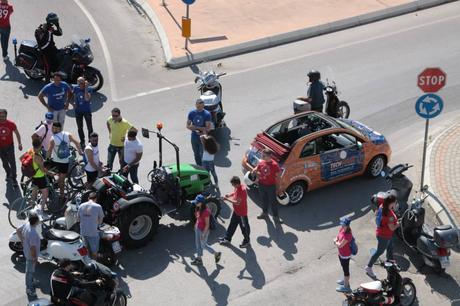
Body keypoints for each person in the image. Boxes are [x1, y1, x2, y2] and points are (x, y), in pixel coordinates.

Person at [365, 193, 399, 279]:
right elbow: (392, 228)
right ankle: (368, 267)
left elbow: (377, 214)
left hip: (383, 233)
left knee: (390, 246)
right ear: (391, 203)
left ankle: (390, 261)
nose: (396, 204)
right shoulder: (390, 215)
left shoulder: (382, 206)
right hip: (384, 236)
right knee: (379, 252)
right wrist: (398, 224)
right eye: (395, 202)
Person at [47, 122, 82, 198]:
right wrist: (79, 151)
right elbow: (77, 142)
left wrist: (46, 158)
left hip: (55, 161)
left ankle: (52, 185)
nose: (54, 130)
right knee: (62, 179)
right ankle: (62, 195)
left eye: (55, 128)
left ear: (59, 129)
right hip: (64, 161)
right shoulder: (68, 134)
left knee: (47, 171)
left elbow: (49, 152)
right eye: (53, 128)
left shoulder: (53, 139)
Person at [252, 149, 283, 224]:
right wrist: (254, 170)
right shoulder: (262, 162)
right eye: (262, 155)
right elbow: (258, 167)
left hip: (271, 186)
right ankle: (264, 213)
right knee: (263, 200)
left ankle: (276, 217)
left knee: (273, 202)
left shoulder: (275, 165)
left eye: (263, 155)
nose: (261, 156)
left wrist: (279, 188)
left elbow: (279, 177)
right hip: (261, 185)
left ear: (269, 156)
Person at [219, 176, 250, 248]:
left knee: (244, 228)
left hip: (242, 214)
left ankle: (247, 241)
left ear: (236, 184)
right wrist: (229, 195)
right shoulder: (238, 187)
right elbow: (235, 193)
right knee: (232, 225)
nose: (232, 186)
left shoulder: (242, 190)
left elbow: (237, 203)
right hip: (236, 212)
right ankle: (227, 239)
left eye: (233, 184)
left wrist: (226, 199)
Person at [191, 194, 221, 266]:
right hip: (198, 228)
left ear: (202, 203)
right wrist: (196, 225)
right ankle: (199, 259)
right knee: (197, 244)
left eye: (197, 202)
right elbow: (198, 218)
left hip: (204, 230)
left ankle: (216, 254)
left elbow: (207, 225)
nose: (196, 203)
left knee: (203, 246)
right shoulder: (197, 208)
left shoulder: (206, 211)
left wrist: (203, 234)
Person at [16, 212, 41, 298]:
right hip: (31, 255)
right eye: (38, 220)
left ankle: (31, 281)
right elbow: (33, 248)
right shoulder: (33, 232)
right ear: (35, 222)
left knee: (31, 269)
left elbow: (17, 230)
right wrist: (34, 258)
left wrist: (22, 240)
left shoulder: (27, 224)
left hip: (26, 251)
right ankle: (29, 288)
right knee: (29, 271)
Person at [77, 192, 104, 259]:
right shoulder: (98, 206)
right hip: (93, 233)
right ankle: (94, 264)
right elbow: (101, 219)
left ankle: (88, 262)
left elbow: (78, 219)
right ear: (96, 199)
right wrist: (97, 224)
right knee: (94, 252)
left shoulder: (81, 205)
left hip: (83, 232)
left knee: (86, 250)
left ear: (88, 198)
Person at [35, 12, 62, 77]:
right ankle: (47, 81)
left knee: (60, 60)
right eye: (55, 21)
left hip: (52, 49)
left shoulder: (50, 28)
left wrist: (58, 26)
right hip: (45, 51)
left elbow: (59, 33)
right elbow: (44, 44)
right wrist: (49, 32)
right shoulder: (42, 30)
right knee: (48, 67)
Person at [27, 138, 51, 212]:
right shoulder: (38, 157)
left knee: (35, 190)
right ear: (40, 146)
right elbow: (42, 170)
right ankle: (42, 209)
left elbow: (21, 158)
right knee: (45, 192)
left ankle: (31, 205)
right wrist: (50, 174)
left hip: (33, 175)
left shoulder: (30, 151)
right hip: (39, 176)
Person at [0, 109, 22, 186]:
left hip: (10, 146)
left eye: (3, 116)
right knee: (4, 163)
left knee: (12, 162)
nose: (2, 118)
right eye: (0, 116)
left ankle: (14, 178)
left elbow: (17, 134)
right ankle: (8, 173)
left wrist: (19, 144)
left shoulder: (11, 124)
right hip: (1, 147)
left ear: (6, 116)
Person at [186, 99, 211, 166]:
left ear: (203, 106)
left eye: (200, 106)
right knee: (196, 154)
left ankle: (204, 168)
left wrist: (195, 127)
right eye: (197, 106)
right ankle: (199, 167)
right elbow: (187, 126)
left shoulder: (207, 114)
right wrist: (198, 128)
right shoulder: (191, 113)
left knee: (202, 154)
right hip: (194, 137)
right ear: (196, 105)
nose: (198, 107)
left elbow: (207, 128)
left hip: (202, 138)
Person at [72, 76, 93, 149]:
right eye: (79, 83)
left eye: (82, 83)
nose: (81, 84)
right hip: (78, 111)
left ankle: (90, 142)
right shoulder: (75, 88)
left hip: (87, 111)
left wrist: (86, 88)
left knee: (89, 127)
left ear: (85, 82)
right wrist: (73, 103)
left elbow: (87, 99)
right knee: (80, 128)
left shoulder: (89, 89)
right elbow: (74, 96)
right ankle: (82, 141)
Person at [334, 217, 353, 293]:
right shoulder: (342, 229)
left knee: (346, 271)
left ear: (347, 225)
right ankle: (344, 280)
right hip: (341, 254)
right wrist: (336, 240)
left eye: (343, 225)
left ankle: (346, 287)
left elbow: (340, 245)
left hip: (345, 255)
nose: (342, 226)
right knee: (343, 267)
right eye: (341, 224)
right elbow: (337, 237)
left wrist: (335, 242)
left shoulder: (348, 235)